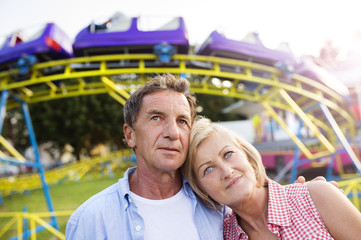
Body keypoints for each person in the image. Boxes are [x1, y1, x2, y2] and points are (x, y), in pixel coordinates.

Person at [66, 73, 334, 239]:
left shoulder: (218, 204)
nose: (172, 132)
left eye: (183, 121)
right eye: (156, 118)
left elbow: (257, 202)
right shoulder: (91, 219)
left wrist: (308, 200)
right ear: (130, 134)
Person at [182, 116, 361, 240]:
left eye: (228, 154)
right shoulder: (223, 235)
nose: (227, 171)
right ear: (201, 188)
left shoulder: (315, 197)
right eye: (208, 169)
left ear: (247, 156)